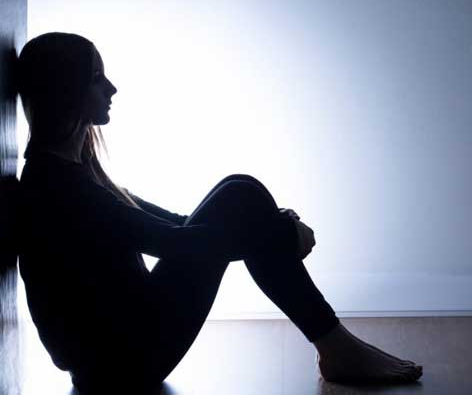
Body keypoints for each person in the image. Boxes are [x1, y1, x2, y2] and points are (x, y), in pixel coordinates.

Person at [14, 32, 422, 394]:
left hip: (121, 351)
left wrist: (270, 225)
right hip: (119, 367)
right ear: (65, 91)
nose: (112, 88)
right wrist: (279, 232)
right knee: (240, 197)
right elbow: (170, 242)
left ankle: (335, 346)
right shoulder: (57, 186)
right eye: (96, 79)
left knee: (238, 192)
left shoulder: (72, 171)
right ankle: (336, 347)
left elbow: (171, 224)